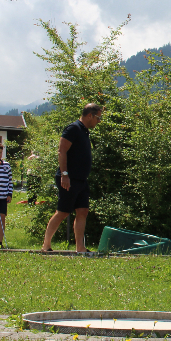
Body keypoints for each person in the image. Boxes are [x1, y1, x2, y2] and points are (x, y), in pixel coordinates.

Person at [40, 103, 104, 254]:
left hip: (81, 180)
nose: (99, 121)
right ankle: (46, 245)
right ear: (90, 115)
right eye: (98, 118)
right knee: (63, 212)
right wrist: (64, 174)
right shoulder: (73, 128)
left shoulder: (85, 131)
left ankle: (80, 248)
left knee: (83, 211)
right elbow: (62, 151)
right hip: (69, 178)